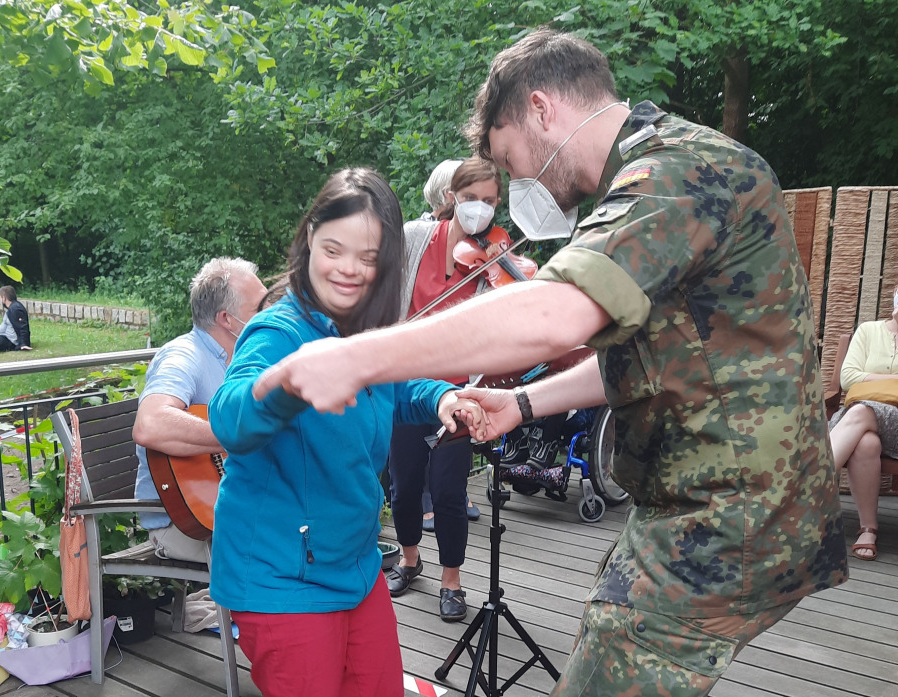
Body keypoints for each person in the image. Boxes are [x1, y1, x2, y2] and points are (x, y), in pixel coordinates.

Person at [251, 29, 849, 697]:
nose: (516, 185)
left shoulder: (673, 173)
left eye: (510, 159)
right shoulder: (667, 169)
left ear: (542, 111)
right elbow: (653, 359)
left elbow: (554, 314)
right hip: (729, 508)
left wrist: (357, 355)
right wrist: (523, 403)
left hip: (729, 519)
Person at [206, 168, 485, 697]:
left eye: (369, 256)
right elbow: (230, 419)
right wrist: (287, 382)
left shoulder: (364, 330)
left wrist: (443, 397)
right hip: (282, 580)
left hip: (356, 567)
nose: (349, 270)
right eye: (334, 249)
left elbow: (397, 386)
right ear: (310, 237)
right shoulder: (278, 331)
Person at [388, 157, 508, 622]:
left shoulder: (495, 255)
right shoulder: (415, 238)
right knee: (403, 485)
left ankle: (451, 580)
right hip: (404, 382)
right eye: (471, 198)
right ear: (451, 198)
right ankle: (410, 559)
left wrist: (503, 287)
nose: (480, 208)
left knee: (448, 489)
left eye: (490, 201)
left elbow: (496, 332)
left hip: (459, 391)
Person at [130, 257, 266, 563]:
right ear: (227, 319)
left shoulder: (246, 360)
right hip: (183, 524)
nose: (269, 315)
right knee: (287, 551)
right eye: (260, 308)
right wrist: (237, 437)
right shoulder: (184, 356)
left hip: (237, 507)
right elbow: (150, 424)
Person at [826, 284, 898, 561]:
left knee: (860, 412)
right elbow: (848, 378)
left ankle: (803, 492)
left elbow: (860, 378)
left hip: (887, 422)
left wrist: (871, 378)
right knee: (866, 443)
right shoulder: (869, 331)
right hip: (860, 419)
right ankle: (868, 529)